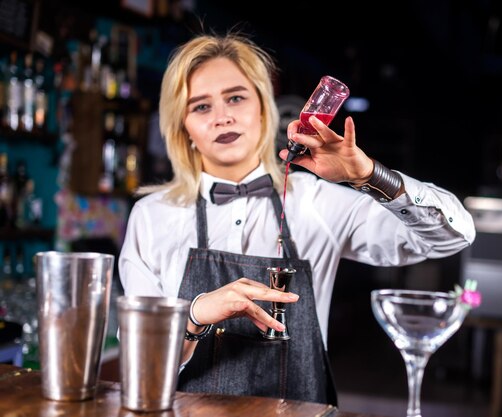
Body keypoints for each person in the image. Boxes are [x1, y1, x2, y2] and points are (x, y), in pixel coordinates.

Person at [118, 32, 476, 406]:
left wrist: (368, 175)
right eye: (201, 107)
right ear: (184, 128)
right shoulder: (153, 217)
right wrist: (193, 316)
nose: (223, 117)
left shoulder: (316, 201)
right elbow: (145, 366)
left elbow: (452, 236)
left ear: (263, 109)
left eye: (236, 98)